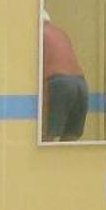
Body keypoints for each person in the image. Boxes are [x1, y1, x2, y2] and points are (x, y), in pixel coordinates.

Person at [41, 12, 89, 141]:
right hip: (81, 85)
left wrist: (45, 119)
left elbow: (44, 74)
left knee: (46, 141)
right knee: (70, 142)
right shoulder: (61, 33)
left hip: (59, 83)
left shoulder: (38, 34)